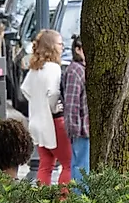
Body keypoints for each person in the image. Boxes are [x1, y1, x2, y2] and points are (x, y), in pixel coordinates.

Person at [23, 28, 67, 184]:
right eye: (60, 44)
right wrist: (56, 108)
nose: (63, 47)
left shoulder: (35, 69)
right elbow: (53, 93)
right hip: (53, 123)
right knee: (68, 164)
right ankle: (64, 200)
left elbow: (25, 89)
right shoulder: (54, 69)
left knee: (45, 165)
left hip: (37, 123)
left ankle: (44, 201)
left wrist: (37, 103)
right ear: (52, 46)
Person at [61, 37, 91, 179]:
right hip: (81, 130)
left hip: (86, 129)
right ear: (78, 50)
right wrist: (74, 130)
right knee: (80, 168)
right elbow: (72, 103)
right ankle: (79, 199)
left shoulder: (83, 69)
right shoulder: (75, 71)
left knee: (84, 167)